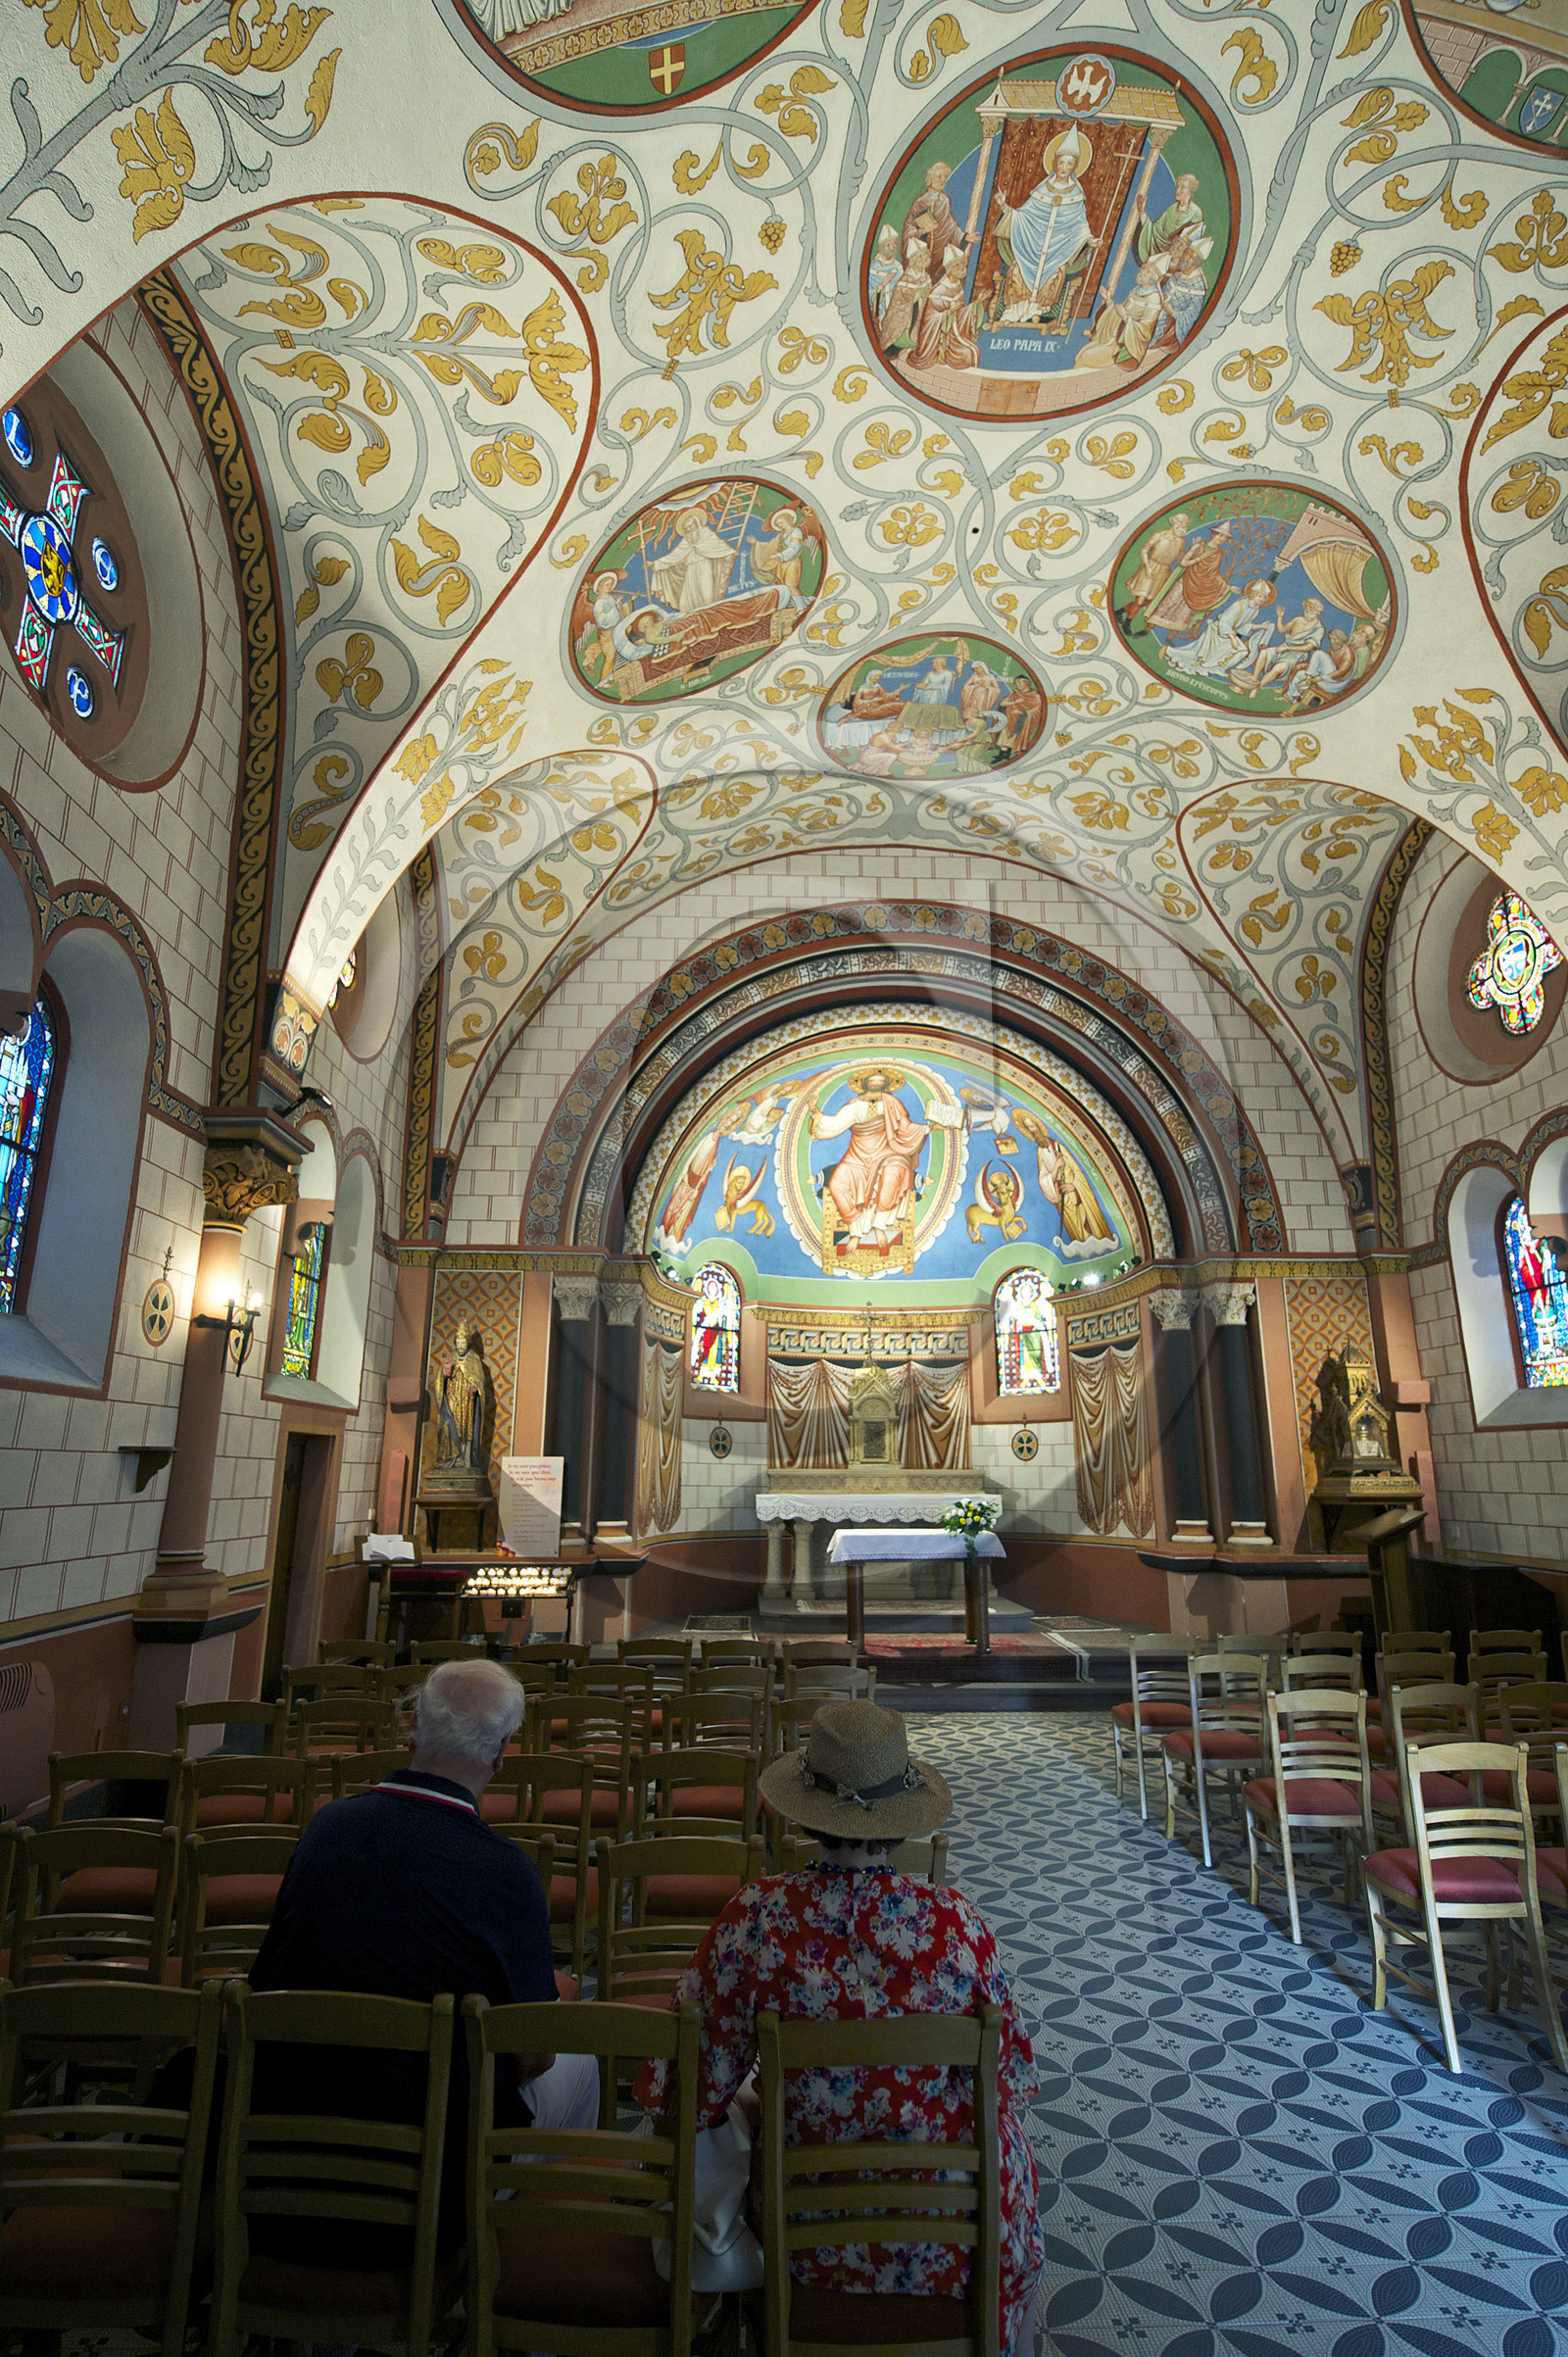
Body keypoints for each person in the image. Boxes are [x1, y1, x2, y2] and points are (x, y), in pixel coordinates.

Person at [636, 1703, 1044, 2357]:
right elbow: (1012, 2082)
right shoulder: (957, 1923)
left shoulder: (757, 1919)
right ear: (898, 1811)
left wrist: (747, 2100)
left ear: (803, 1810)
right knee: (1012, 2173)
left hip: (807, 2235)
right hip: (955, 2230)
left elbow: (685, 2084)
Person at [249, 1658, 596, 2263]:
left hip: (289, 2126)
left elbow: (269, 1981)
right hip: (435, 2161)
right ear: (501, 1755)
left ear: (412, 1729)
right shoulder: (505, 1871)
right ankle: (514, 2263)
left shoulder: (328, 1827)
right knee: (581, 2059)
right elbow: (533, 2056)